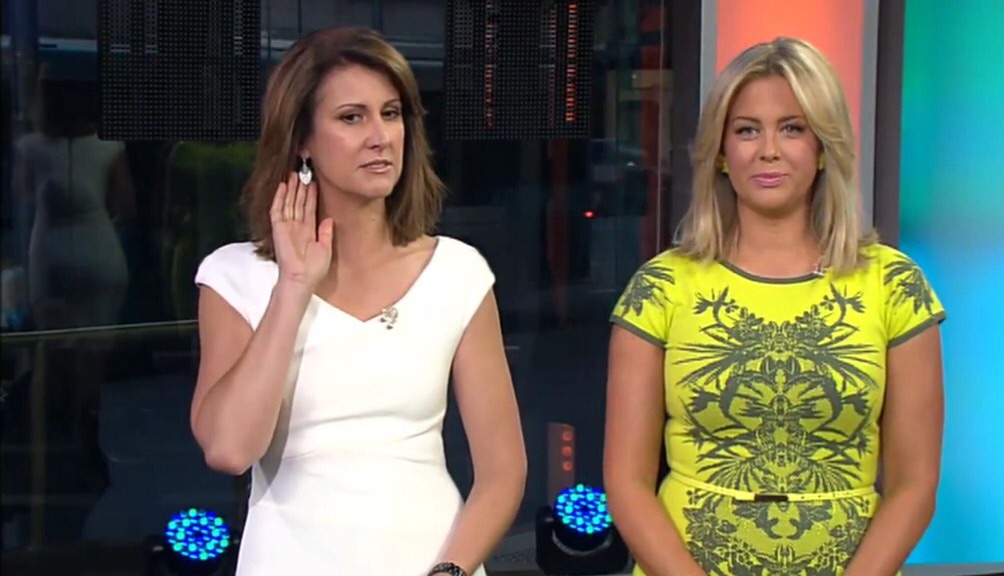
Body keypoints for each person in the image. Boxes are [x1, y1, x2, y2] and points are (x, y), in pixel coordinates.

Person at [190, 26, 526, 576]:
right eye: (351, 118)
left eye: (390, 114)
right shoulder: (235, 277)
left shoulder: (457, 273)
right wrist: (293, 286)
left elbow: (503, 472)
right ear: (302, 139)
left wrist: (450, 572)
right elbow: (228, 449)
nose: (380, 137)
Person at [603, 37, 945, 576]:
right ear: (721, 150)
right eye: (747, 130)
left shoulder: (894, 285)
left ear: (823, 146)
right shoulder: (661, 288)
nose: (768, 150)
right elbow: (626, 483)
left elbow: (914, 484)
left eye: (792, 128)